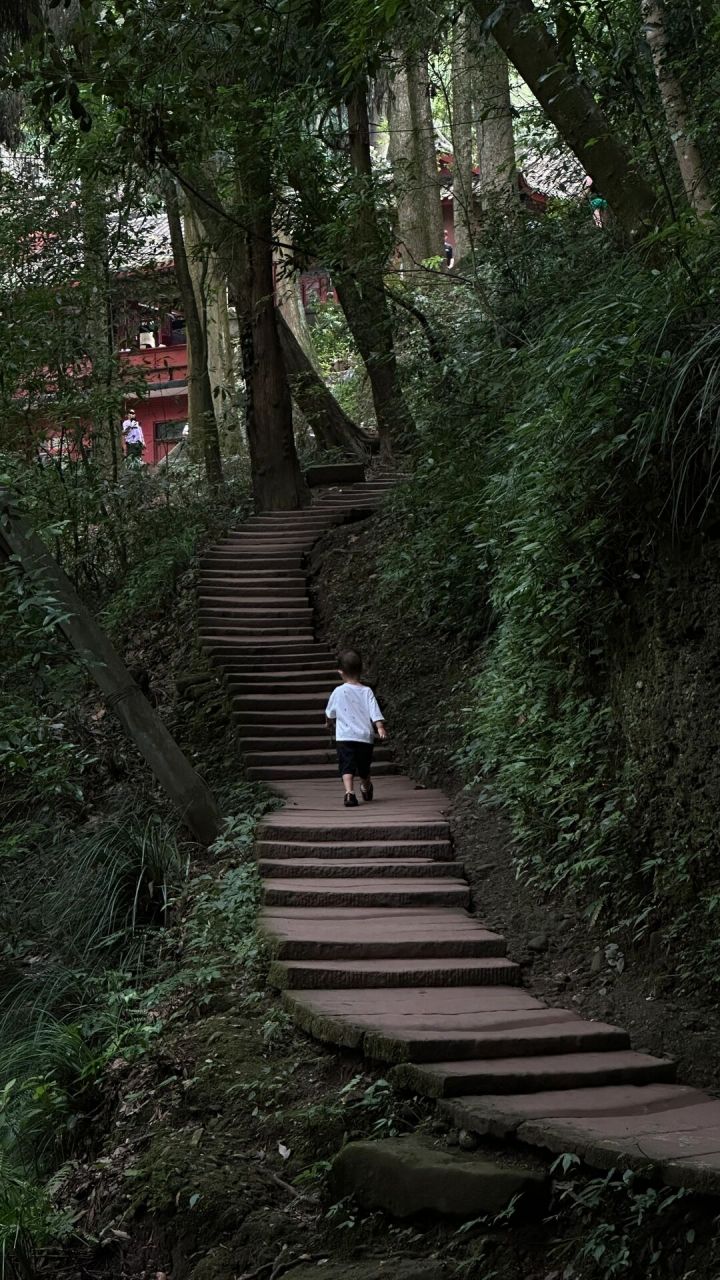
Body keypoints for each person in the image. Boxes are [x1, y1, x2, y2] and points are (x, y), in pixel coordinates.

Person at [325, 650, 387, 808]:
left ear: (341, 672)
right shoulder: (367, 691)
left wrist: (329, 723)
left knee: (346, 765)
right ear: (361, 670)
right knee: (363, 767)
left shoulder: (338, 692)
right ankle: (366, 787)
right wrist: (379, 727)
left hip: (345, 736)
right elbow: (374, 711)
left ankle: (349, 793)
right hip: (364, 737)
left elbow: (329, 712)